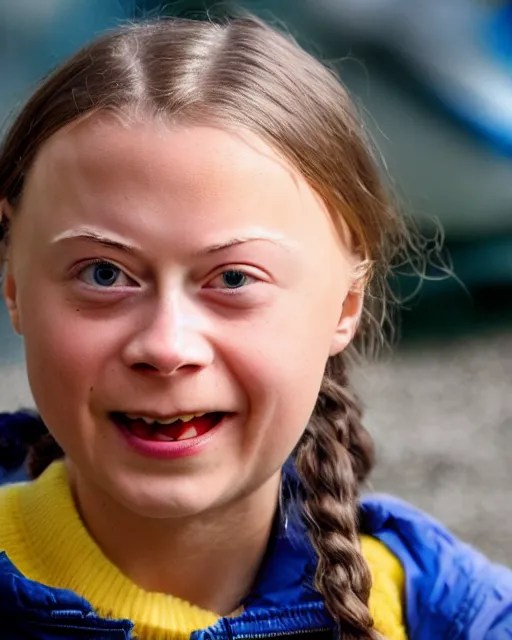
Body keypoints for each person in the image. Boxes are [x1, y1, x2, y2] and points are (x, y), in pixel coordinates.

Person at [0, 13, 510, 640]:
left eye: (235, 279)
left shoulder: (435, 608)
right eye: (104, 274)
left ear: (346, 304)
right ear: (13, 282)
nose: (166, 347)